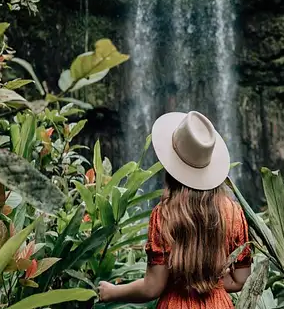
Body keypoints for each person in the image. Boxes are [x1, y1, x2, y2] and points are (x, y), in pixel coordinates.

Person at [97, 111, 252, 308]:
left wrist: (112, 292)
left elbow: (152, 288)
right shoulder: (233, 214)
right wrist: (211, 283)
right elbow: (240, 279)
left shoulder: (164, 215)